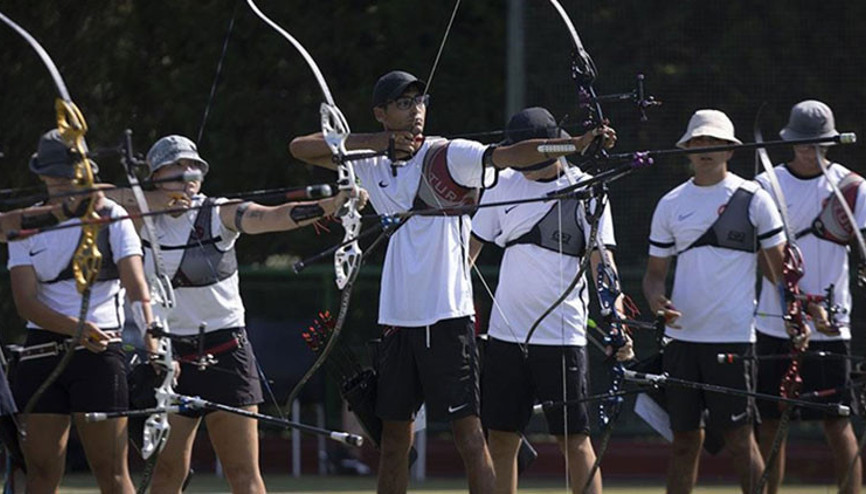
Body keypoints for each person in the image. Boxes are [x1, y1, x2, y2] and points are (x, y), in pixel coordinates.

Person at [290, 70, 616, 494]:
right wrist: (377, 143)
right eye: (404, 104)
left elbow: (513, 154)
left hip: (448, 319)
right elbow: (301, 148)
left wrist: (570, 145)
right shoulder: (370, 163)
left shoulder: (449, 155)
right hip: (397, 321)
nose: (416, 111)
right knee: (393, 441)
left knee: (469, 438)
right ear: (381, 114)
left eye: (420, 101)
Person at [107, 134, 367, 493]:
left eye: (194, 166)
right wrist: (155, 201)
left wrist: (330, 205)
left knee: (242, 474)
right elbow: (95, 197)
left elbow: (270, 216)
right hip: (172, 359)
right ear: (155, 174)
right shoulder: (138, 220)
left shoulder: (218, 212)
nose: (188, 173)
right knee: (168, 473)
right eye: (177, 166)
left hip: (226, 353)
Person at [468, 107, 632, 494]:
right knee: (502, 438)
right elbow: (468, 252)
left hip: (561, 337)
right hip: (506, 336)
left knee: (574, 440)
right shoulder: (503, 184)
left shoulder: (588, 188)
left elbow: (602, 262)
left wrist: (617, 320)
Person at [642, 110, 786, 493]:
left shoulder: (756, 200)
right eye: (698, 142)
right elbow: (654, 276)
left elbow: (779, 274)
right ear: (687, 150)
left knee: (740, 439)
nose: (705, 149)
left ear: (730, 150)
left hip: (734, 340)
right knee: (685, 442)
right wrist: (658, 302)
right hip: (683, 342)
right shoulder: (671, 204)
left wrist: (773, 245)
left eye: (714, 143)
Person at [7, 129, 155, 493]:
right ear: (40, 174)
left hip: (100, 353)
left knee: (111, 472)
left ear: (85, 172)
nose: (60, 181)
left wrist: (153, 338)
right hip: (43, 353)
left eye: (68, 173)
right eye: (53, 174)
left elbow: (136, 285)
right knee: (40, 471)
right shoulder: (25, 224)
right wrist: (75, 328)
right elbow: (26, 301)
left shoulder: (111, 215)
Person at [754, 100, 863, 494]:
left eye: (816, 142)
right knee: (770, 421)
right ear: (790, 140)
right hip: (773, 321)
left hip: (831, 327)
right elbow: (764, 256)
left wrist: (819, 308)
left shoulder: (852, 186)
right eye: (801, 141)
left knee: (837, 421)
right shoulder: (766, 184)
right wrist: (796, 301)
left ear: (829, 142)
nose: (808, 148)